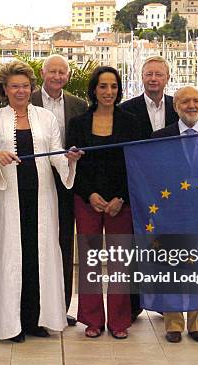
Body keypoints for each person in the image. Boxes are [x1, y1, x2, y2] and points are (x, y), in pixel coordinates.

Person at [0, 60, 82, 342]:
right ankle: (10, 325)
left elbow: (55, 153)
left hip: (41, 199)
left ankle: (35, 319)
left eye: (25, 86)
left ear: (31, 87)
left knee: (38, 257)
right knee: (13, 258)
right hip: (7, 199)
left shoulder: (45, 118)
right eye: (15, 86)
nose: (21, 91)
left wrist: (68, 159)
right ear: (5, 89)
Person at [67, 66, 141, 339]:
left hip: (121, 202)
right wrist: (90, 195)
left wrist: (120, 197)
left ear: (119, 90)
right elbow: (75, 166)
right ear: (94, 90)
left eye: (113, 86)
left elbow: (135, 164)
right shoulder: (78, 124)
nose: (108, 91)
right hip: (87, 200)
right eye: (103, 86)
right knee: (90, 260)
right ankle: (92, 319)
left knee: (120, 262)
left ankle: (119, 320)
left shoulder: (131, 122)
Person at [152, 86, 198, 343]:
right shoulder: (160, 137)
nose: (191, 105)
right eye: (185, 101)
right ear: (175, 106)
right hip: (172, 212)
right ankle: (173, 324)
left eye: (196, 101)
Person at [119, 56, 178, 321]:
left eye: (158, 74)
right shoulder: (126, 110)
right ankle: (133, 306)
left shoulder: (180, 106)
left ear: (167, 78)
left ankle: (167, 302)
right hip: (138, 188)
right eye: (148, 74)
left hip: (172, 190)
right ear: (142, 77)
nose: (153, 79)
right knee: (135, 246)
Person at [31, 54, 88, 326]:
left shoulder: (79, 105)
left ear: (67, 76)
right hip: (34, 182)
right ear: (43, 73)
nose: (57, 76)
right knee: (35, 243)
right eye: (52, 71)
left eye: (61, 72)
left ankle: (61, 307)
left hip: (67, 182)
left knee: (64, 244)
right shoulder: (26, 99)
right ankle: (33, 306)